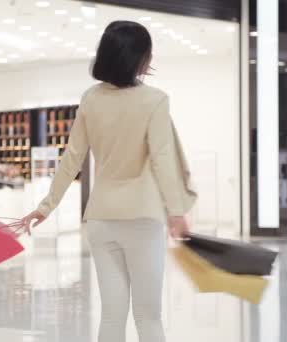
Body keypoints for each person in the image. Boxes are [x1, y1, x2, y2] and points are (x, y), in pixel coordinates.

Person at [22, 20, 195, 342]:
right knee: (148, 316)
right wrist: (176, 212)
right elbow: (161, 158)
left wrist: (45, 207)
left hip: (100, 217)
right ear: (141, 57)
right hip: (142, 218)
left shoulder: (91, 98)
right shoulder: (155, 100)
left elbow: (72, 157)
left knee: (112, 316)